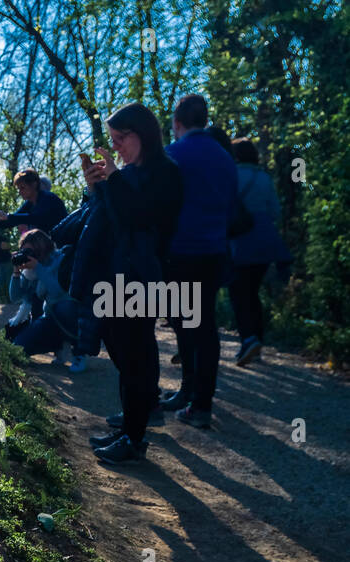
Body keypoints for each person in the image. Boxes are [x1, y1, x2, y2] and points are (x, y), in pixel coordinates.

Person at [82, 102, 185, 464]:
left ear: (142, 133)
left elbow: (142, 218)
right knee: (124, 357)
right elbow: (113, 219)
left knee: (137, 357)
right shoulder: (130, 172)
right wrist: (97, 188)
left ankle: (135, 438)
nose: (117, 147)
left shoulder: (166, 172)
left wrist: (114, 180)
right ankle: (128, 428)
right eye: (112, 140)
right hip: (118, 274)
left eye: (120, 138)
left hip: (143, 277)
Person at [161, 94, 236, 429]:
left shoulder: (173, 154)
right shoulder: (224, 156)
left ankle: (194, 397)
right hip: (215, 252)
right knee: (202, 327)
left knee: (186, 324)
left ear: (177, 124)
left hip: (180, 253)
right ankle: (196, 398)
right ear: (205, 120)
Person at [228, 138, 290, 367]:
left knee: (238, 293)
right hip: (265, 244)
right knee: (253, 293)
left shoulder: (231, 175)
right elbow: (275, 211)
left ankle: (248, 339)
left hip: (239, 243)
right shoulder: (264, 177)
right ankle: (257, 342)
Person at [3, 229, 81, 363]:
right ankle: (57, 345)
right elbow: (15, 297)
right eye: (24, 251)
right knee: (18, 346)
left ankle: (79, 350)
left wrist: (38, 267)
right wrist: (16, 272)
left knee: (64, 307)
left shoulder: (60, 261)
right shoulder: (30, 272)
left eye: (31, 251)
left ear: (42, 249)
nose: (28, 255)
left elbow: (57, 291)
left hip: (71, 315)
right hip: (49, 318)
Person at [0, 168, 68, 233]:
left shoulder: (48, 198)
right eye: (18, 189)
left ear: (34, 184)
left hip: (63, 243)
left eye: (23, 188)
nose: (20, 192)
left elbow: (36, 217)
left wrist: (7, 216)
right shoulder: (29, 203)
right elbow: (12, 221)